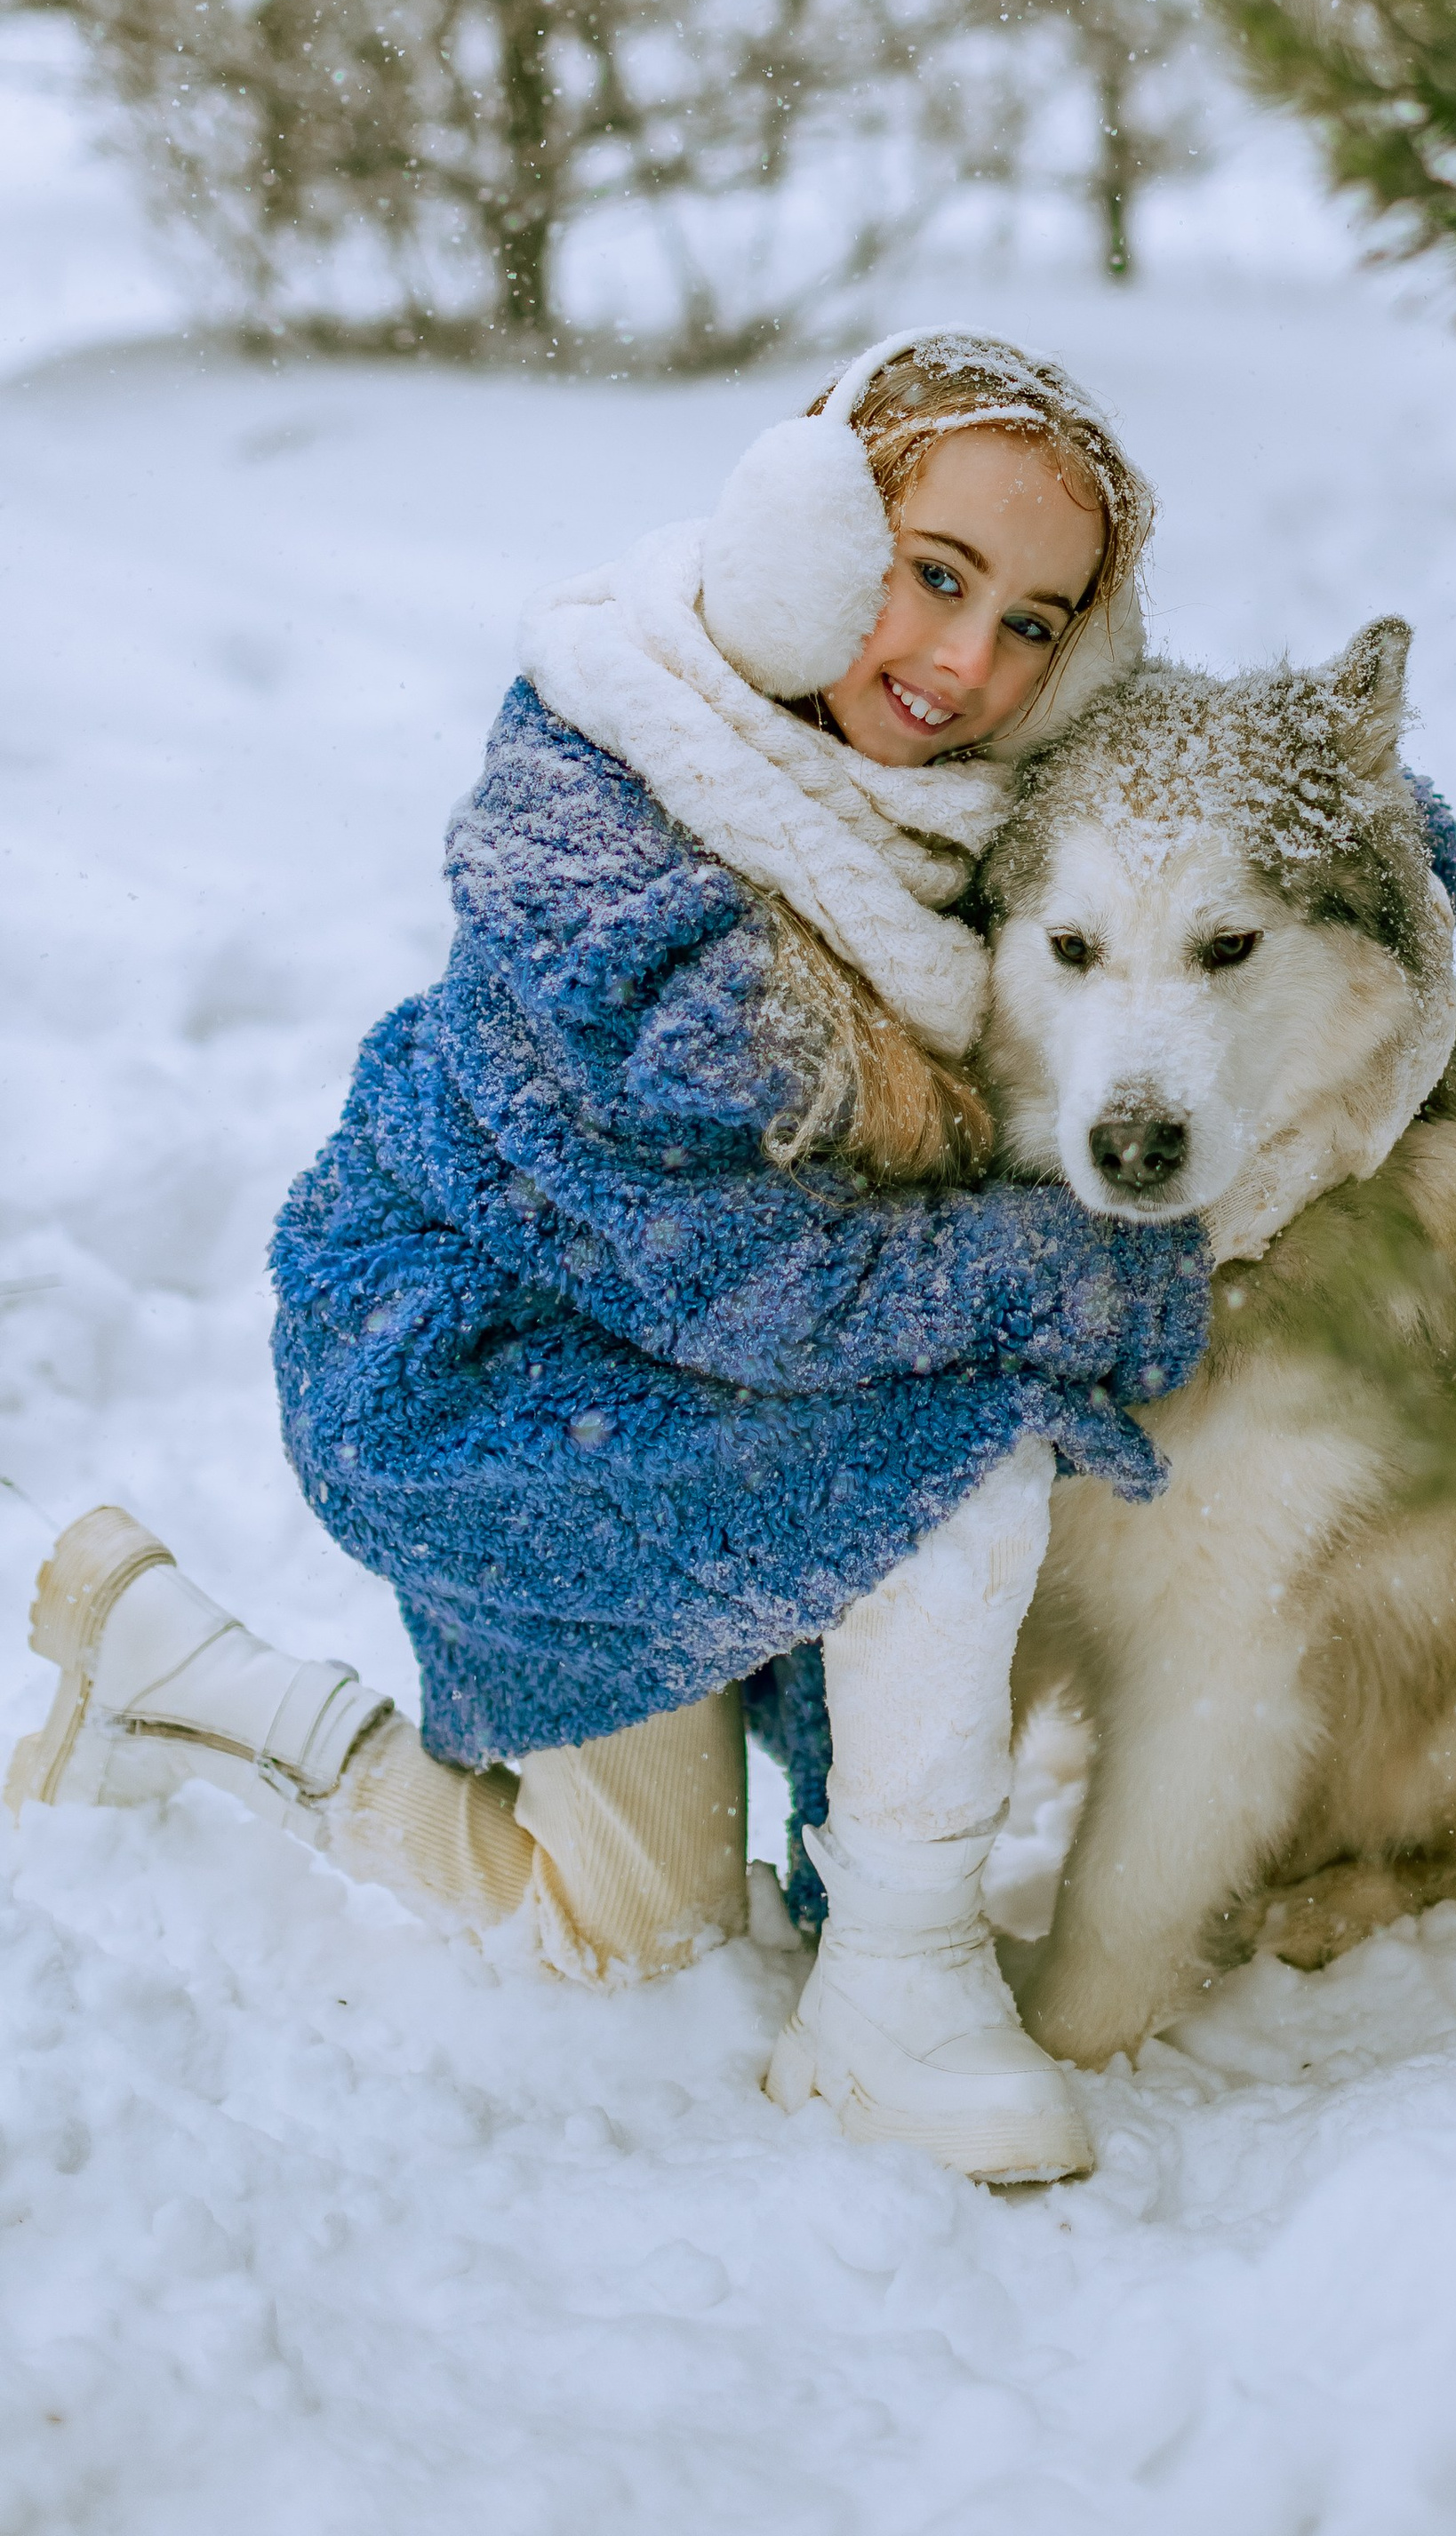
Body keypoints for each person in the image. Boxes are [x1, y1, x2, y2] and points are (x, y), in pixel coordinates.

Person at [6, 331, 1216, 2186]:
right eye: (933, 573)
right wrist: (1107, 1274)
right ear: (803, 536)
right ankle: (225, 1700)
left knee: (682, 1864)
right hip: (494, 1380)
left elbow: (1266, 827)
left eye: (1035, 623)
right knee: (642, 1926)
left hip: (687, 1383)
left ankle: (181, 1668)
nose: (967, 660)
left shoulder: (956, 807)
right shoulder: (613, 847)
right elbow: (767, 1287)